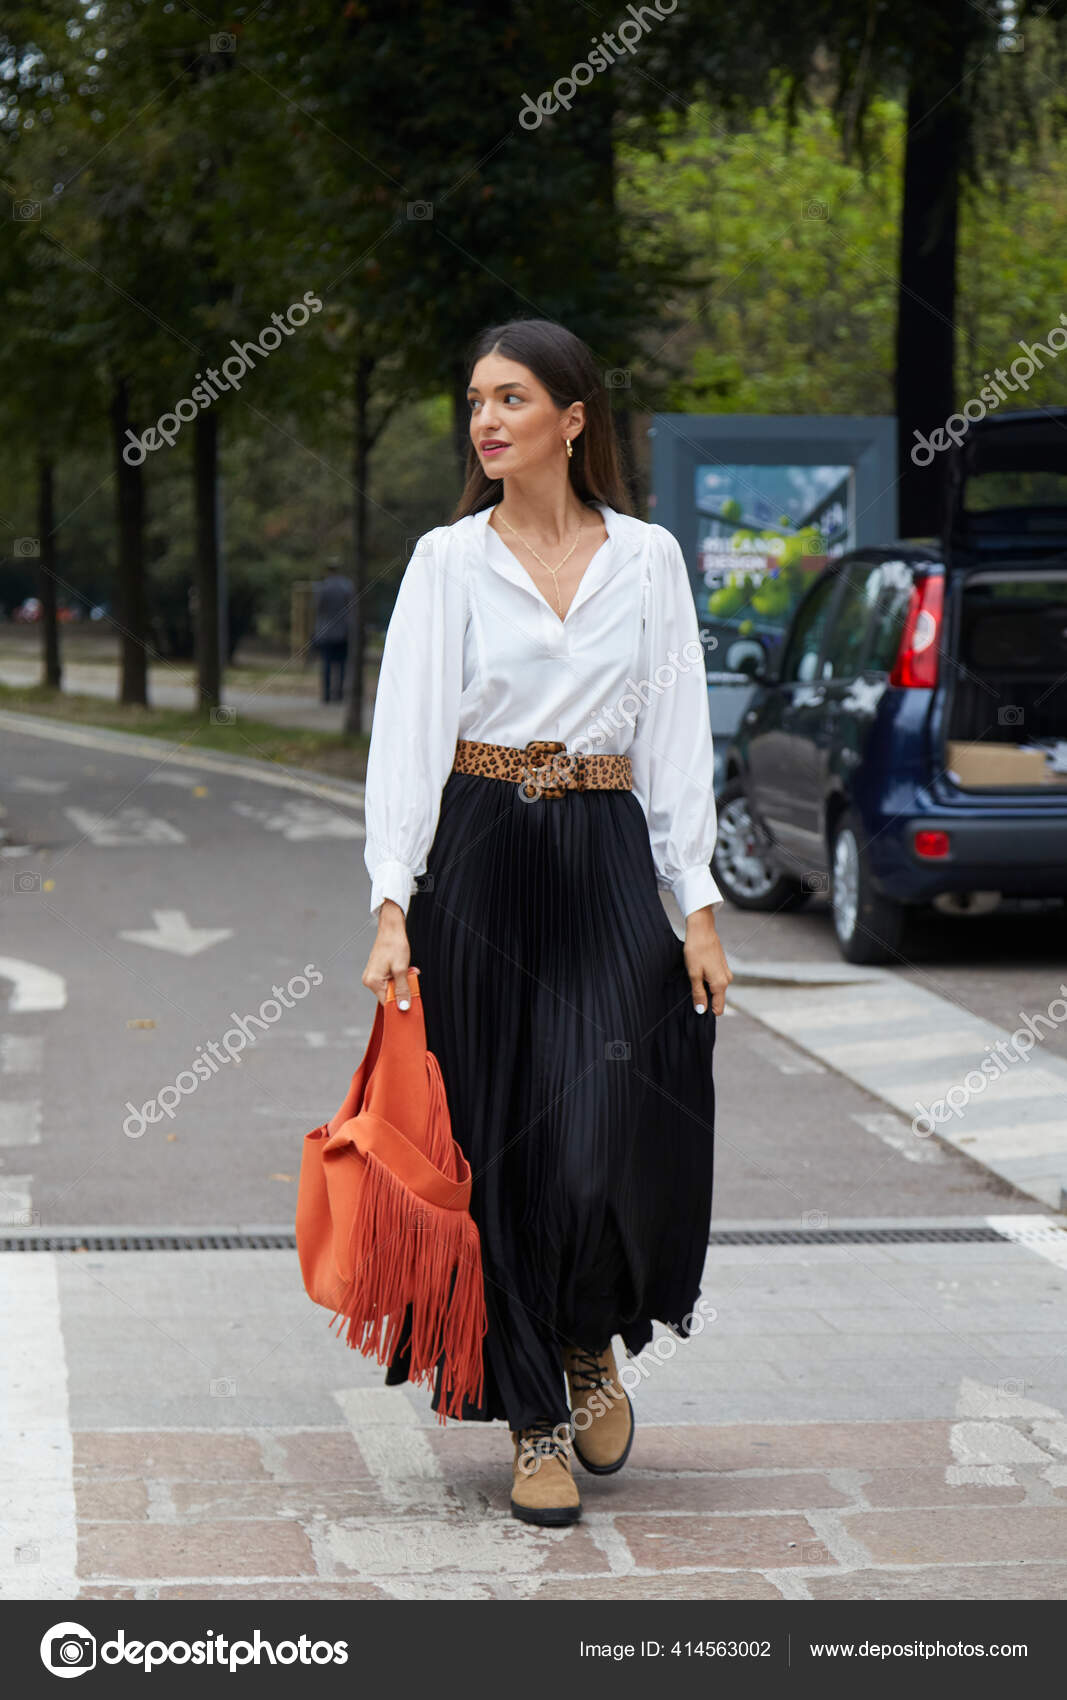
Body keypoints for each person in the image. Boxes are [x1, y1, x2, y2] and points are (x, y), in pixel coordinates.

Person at [361, 318, 731, 1528]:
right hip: (479, 848)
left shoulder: (649, 559)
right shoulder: (445, 560)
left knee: (602, 1134)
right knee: (506, 1155)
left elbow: (677, 739)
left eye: (510, 397)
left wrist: (699, 906)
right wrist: (390, 900)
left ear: (572, 419)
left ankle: (588, 1338)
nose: (485, 420)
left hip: (603, 846)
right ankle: (535, 1420)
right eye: (473, 400)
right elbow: (405, 736)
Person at [311, 559, 353, 703]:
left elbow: (318, 608)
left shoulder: (322, 587)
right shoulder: (347, 586)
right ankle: (339, 694)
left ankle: (327, 695)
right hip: (343, 631)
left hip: (326, 631)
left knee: (327, 664)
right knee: (341, 665)